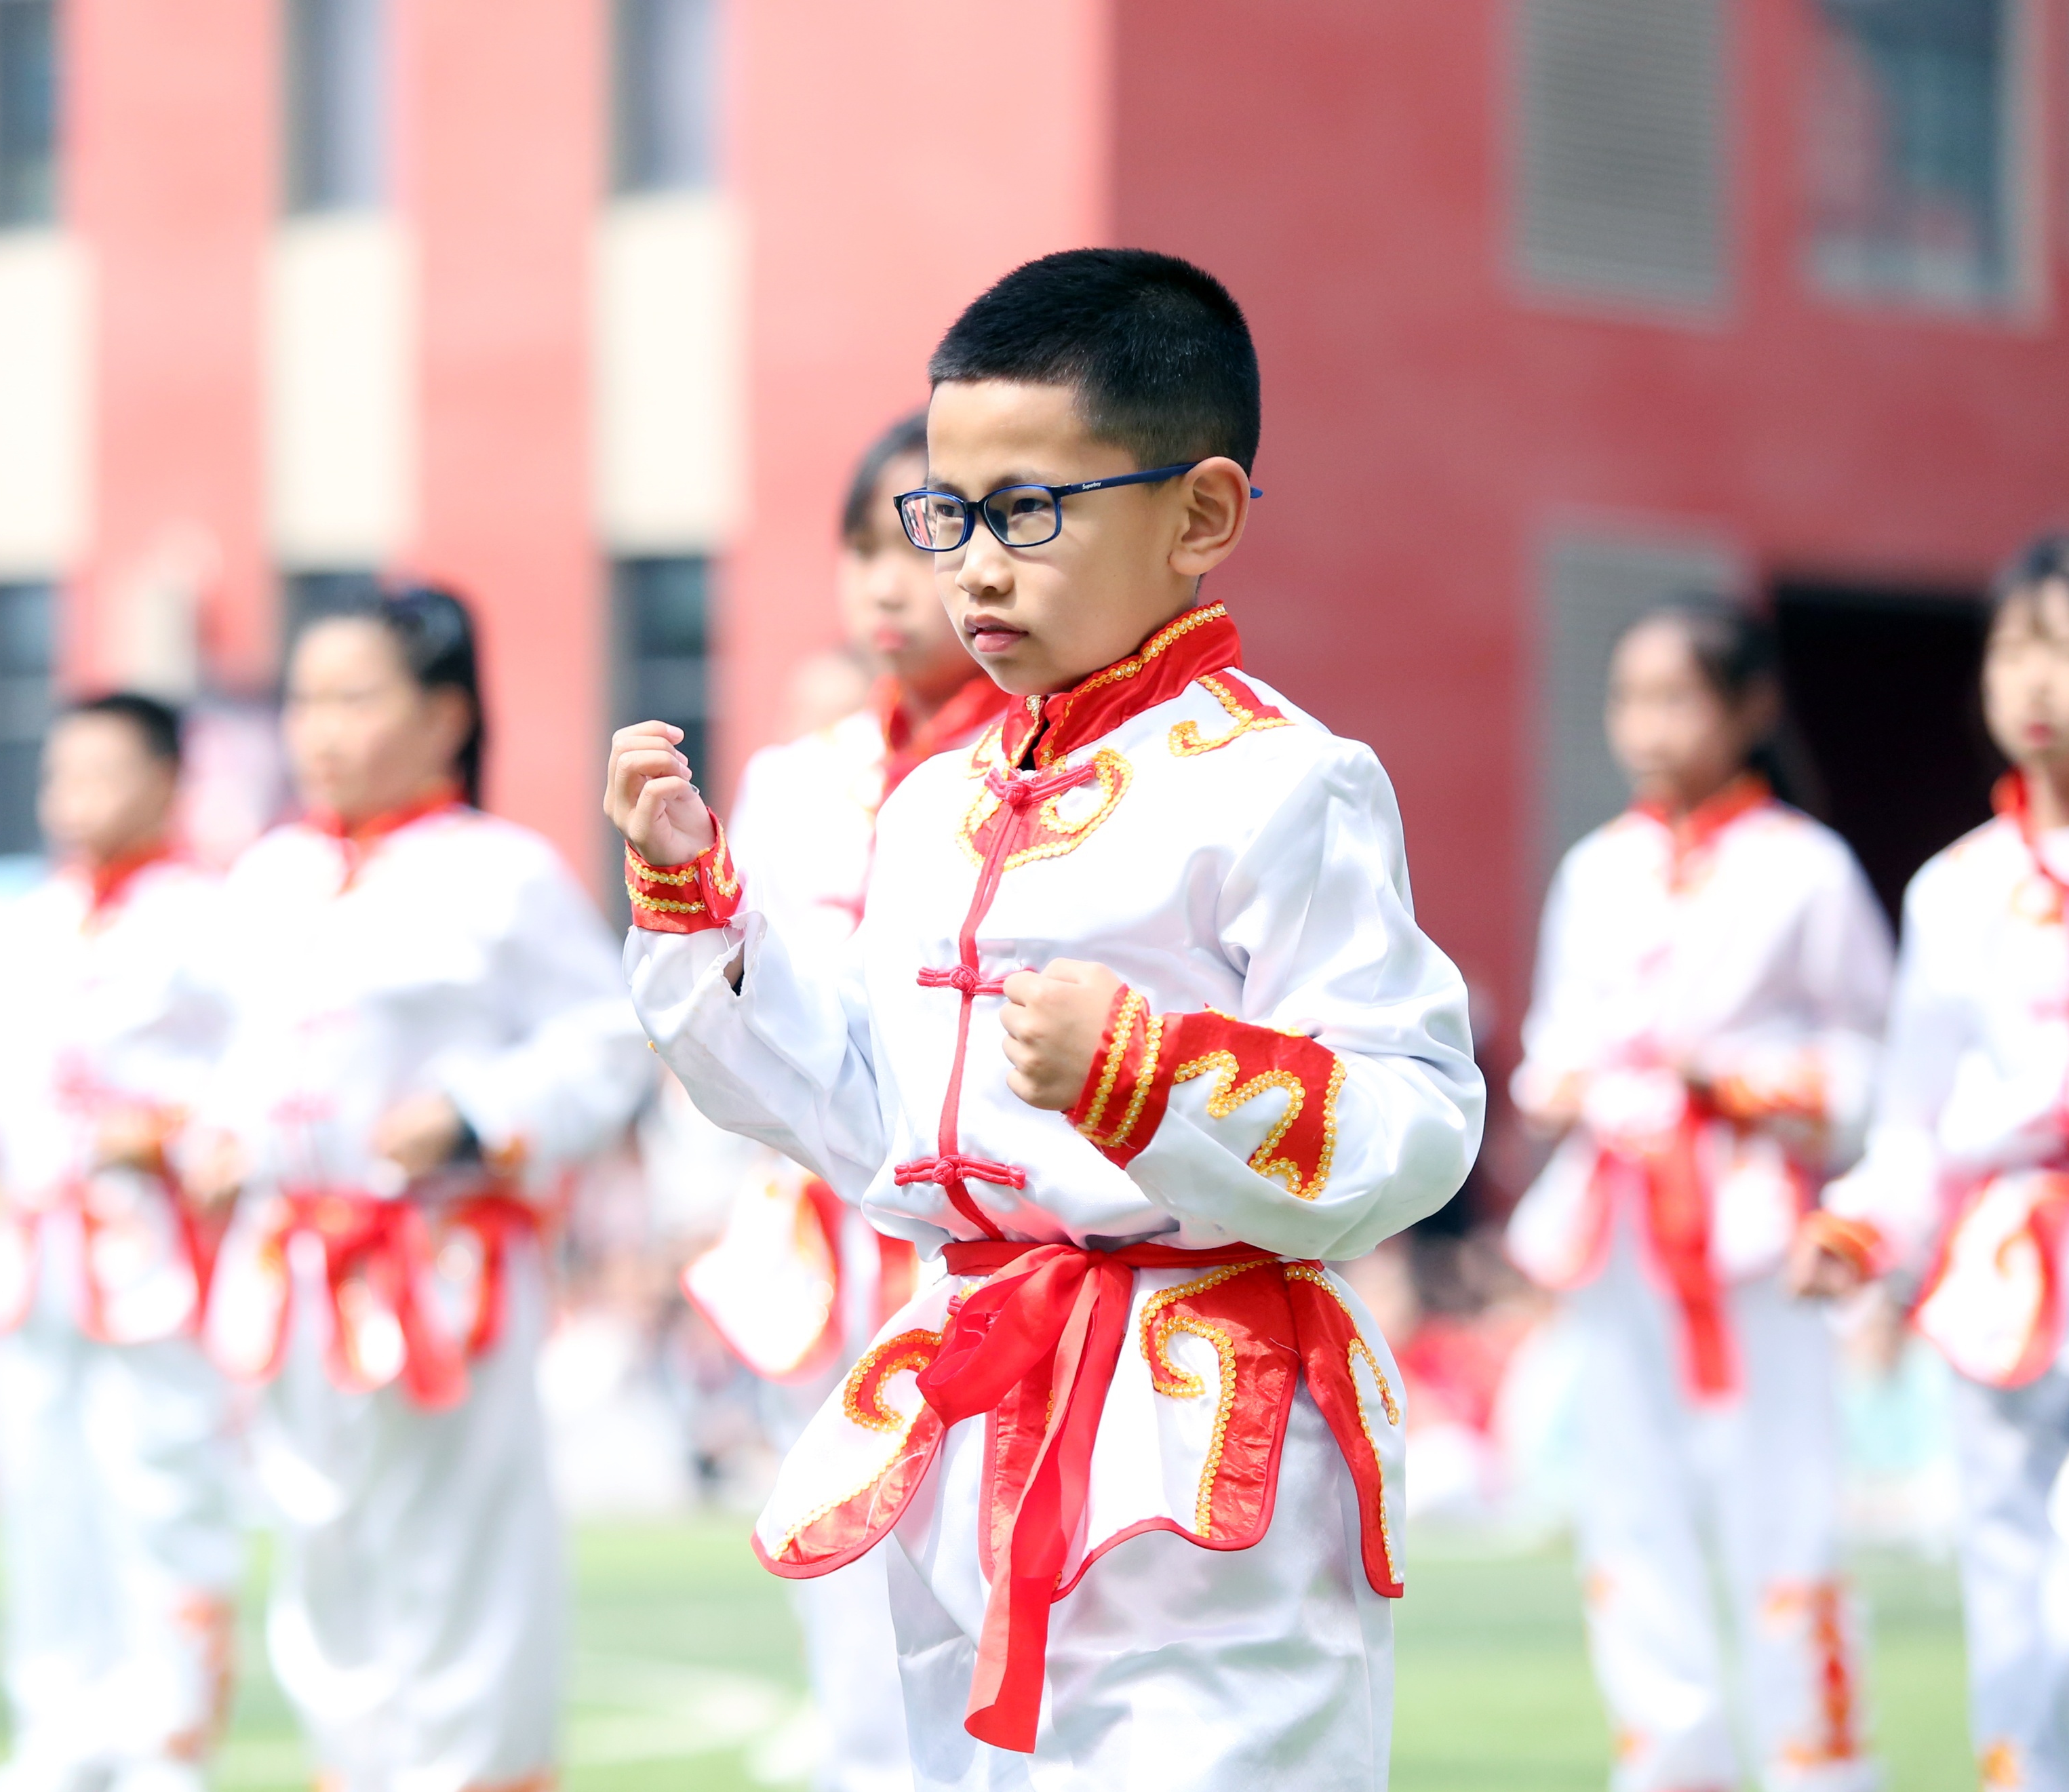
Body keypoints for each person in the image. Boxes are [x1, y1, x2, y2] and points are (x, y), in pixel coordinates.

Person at [608, 248, 1482, 1788]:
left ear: (1200, 515)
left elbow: (1416, 1108)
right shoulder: (943, 800)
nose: (975, 568)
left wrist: (1152, 1076)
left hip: (1198, 1410)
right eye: (945, 517)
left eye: (1031, 511)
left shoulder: (1284, 779)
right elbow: (871, 1111)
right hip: (973, 1389)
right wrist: (708, 917)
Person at [194, 588, 653, 1792]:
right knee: (320, 1533)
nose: (320, 731)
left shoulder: (498, 873)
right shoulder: (267, 874)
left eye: (355, 698)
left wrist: (474, 1113)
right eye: (303, 700)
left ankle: (472, 1774)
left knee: (460, 1546)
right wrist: (218, 1138)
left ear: (447, 714)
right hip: (295, 1261)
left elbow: (607, 1043)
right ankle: (355, 1768)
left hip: (442, 1266)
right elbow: (237, 1059)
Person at [677, 409, 1019, 1792]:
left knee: (1000, 1578)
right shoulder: (796, 780)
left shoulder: (1049, 770)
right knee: (848, 1572)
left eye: (925, 538)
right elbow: (725, 1001)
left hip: (992, 1249)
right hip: (830, 1245)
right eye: (862, 546)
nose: (889, 580)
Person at [1507, 601, 1891, 1791]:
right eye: (1629, 698)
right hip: (1618, 1229)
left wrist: (1725, 1084)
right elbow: (1550, 1043)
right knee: (1629, 1518)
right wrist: (1562, 1085)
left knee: (1783, 1512)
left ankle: (1815, 1766)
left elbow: (1872, 1066)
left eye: (1677, 698)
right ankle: (1672, 1768)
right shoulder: (1596, 869)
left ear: (1750, 708)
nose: (1647, 726)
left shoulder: (1805, 868)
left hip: (1747, 1237)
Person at [1791, 535, 2069, 1791]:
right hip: (2000, 1278)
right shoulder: (1954, 890)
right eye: (2012, 648)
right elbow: (1914, 1122)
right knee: (2011, 1607)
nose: (2034, 680)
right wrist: (1861, 1231)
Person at [0, 693, 242, 1792]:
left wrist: (166, 1133)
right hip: (34, 1250)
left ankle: (169, 1736)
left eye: (102, 771)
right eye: (60, 771)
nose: (72, 795)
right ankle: (60, 1731)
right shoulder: (27, 918)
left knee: (160, 1487)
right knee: (43, 1496)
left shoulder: (209, 914)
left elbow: (259, 1071)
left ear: (167, 780)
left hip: (149, 1245)